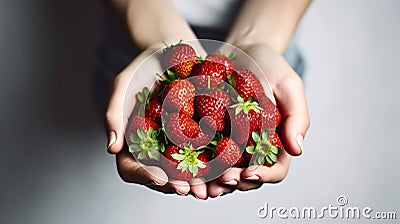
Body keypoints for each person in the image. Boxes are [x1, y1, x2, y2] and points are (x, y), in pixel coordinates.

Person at [96, 0, 311, 200]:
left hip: (274, 25)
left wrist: (257, 40)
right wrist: (157, 34)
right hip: (137, 28)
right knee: (121, 114)